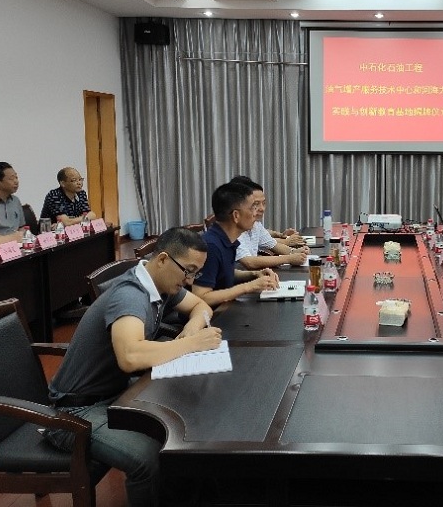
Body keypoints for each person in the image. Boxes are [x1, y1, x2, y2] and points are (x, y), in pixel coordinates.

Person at [46, 227, 223, 507]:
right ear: (162, 259)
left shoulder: (161, 284)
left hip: (117, 394)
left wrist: (192, 328)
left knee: (190, 417)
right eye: (188, 271)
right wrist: (192, 344)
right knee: (148, 459)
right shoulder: (130, 295)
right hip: (75, 413)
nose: (189, 281)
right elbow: (130, 356)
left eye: (195, 274)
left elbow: (201, 306)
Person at [191, 182, 279, 307]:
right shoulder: (210, 246)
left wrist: (254, 275)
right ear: (236, 215)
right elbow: (201, 297)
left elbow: (225, 273)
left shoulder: (227, 239)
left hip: (226, 308)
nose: (256, 213)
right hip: (213, 315)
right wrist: (249, 286)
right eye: (252, 208)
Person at [229, 176, 309, 270]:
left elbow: (273, 245)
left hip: (253, 274)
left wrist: (295, 252)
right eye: (256, 204)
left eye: (264, 203)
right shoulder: (231, 227)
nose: (262, 209)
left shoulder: (255, 224)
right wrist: (289, 258)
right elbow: (249, 262)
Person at [0, 162, 25, 235]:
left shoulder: (15, 200)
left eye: (16, 177)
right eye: (11, 178)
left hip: (17, 241)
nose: (16, 181)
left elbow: (22, 227)